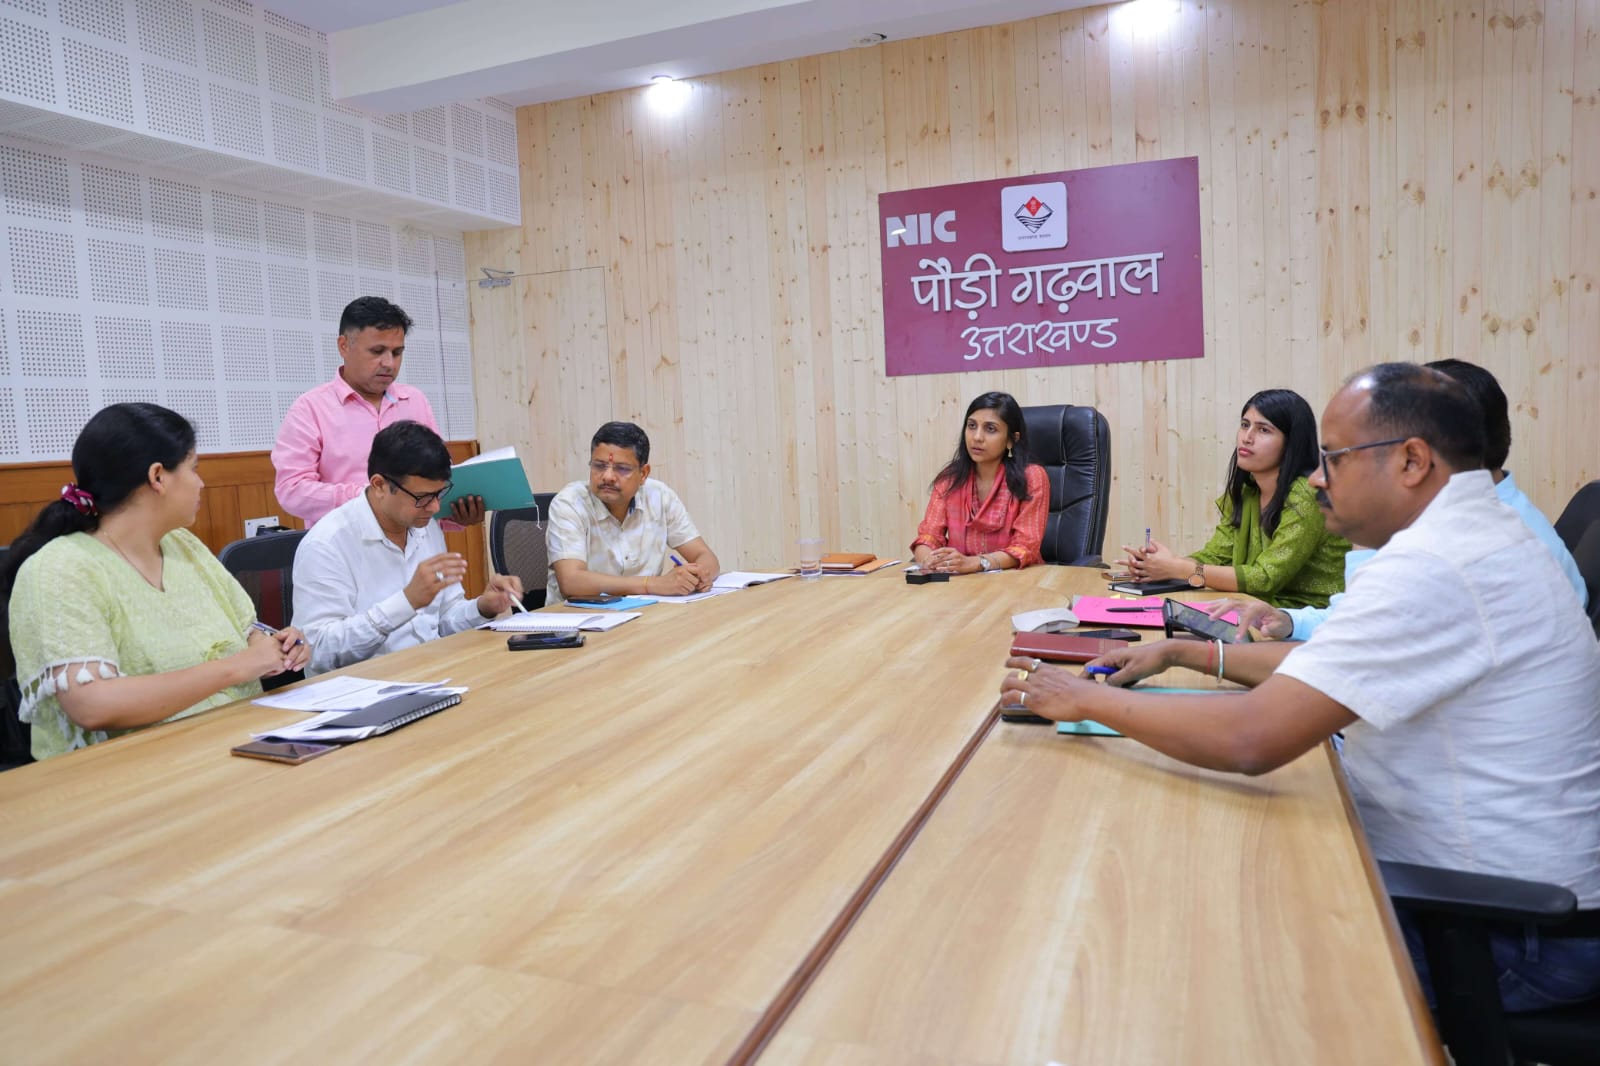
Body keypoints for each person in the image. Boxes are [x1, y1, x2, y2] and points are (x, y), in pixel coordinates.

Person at [1001, 363, 1600, 1012]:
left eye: (1334, 459)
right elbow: (1325, 665)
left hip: (1499, 933)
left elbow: (1250, 739)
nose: (1315, 478)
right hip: (1480, 900)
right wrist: (1185, 652)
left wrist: (1083, 698)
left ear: (1411, 461)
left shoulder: (1438, 565)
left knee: (1186, 952)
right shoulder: (1471, 536)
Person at [0, 404, 310, 761]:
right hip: (127, 772)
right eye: (193, 469)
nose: (201, 483)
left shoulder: (182, 544)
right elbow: (91, 704)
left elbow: (247, 630)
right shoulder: (60, 568)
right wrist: (238, 667)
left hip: (235, 741)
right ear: (158, 477)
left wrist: (277, 647)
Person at [1218, 358, 1586, 640]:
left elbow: (1359, 645)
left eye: (1340, 457)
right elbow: (1360, 618)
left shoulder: (1471, 546)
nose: (1319, 478)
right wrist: (1289, 621)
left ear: (1420, 453)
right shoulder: (1456, 520)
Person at [291, 421, 523, 676]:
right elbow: (317, 651)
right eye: (422, 498)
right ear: (379, 485)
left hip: (432, 673)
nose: (435, 508)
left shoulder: (424, 525)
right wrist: (406, 601)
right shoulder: (326, 545)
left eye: (440, 493)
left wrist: (483, 607)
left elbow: (443, 621)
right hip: (365, 687)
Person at [1123, 389, 1350, 608]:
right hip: (1255, 609)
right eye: (1244, 425)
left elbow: (1264, 578)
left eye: (1263, 430)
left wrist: (1177, 568)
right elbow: (1216, 556)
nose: (1247, 438)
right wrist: (1159, 566)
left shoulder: (1307, 496)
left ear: (1291, 442)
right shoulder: (1248, 492)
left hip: (1307, 618)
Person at [271, 296, 483, 527]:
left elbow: (435, 479)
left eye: (397, 352)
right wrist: (372, 497)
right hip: (346, 542)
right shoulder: (310, 409)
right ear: (344, 346)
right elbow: (292, 490)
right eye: (377, 351)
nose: (389, 363)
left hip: (418, 542)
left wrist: (457, 513)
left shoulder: (415, 401)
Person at [546, 421, 720, 603]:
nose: (608, 476)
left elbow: (706, 557)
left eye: (622, 468)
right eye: (599, 465)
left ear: (643, 473)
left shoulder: (659, 496)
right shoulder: (570, 503)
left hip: (646, 611)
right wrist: (652, 584)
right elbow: (571, 582)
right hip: (579, 616)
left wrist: (697, 575)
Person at [910, 391, 1049, 573]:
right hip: (962, 582)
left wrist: (976, 563)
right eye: (972, 426)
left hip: (1017, 580)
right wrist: (928, 560)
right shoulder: (950, 479)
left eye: (990, 429)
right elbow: (929, 536)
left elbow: (1025, 547)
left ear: (1012, 439)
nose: (976, 437)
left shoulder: (1032, 477)